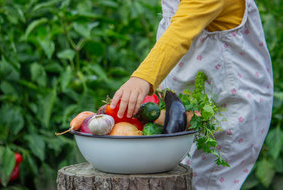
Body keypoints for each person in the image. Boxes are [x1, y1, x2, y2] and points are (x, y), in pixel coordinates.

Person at [110, 0, 273, 189]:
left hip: (230, 107)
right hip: (191, 108)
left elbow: (179, 33)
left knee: (206, 182)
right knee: (184, 179)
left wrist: (143, 78)